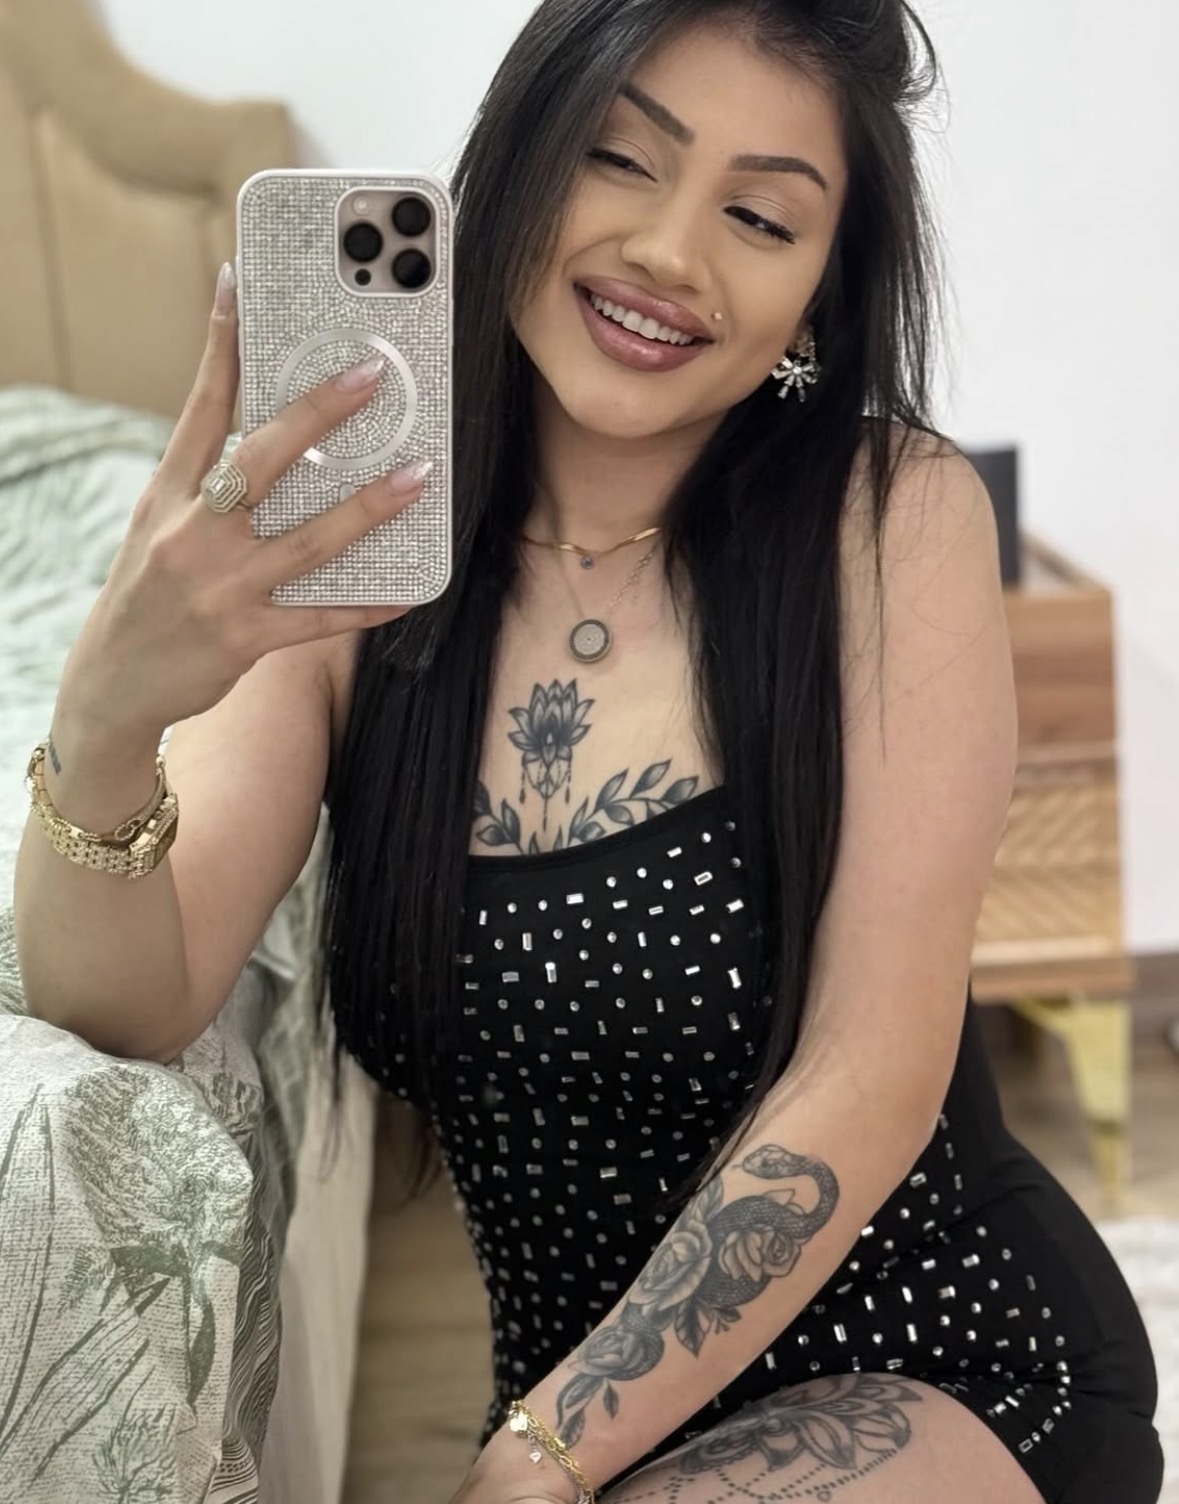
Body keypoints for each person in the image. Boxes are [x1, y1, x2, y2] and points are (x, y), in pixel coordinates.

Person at [13, 2, 1164, 1502]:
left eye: (760, 217)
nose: (672, 254)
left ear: (819, 285)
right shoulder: (357, 564)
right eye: (621, 159)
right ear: (520, 159)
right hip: (581, 1418)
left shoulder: (890, 523)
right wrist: (105, 718)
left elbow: (870, 1071)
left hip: (935, 1361)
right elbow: (127, 1002)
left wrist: (548, 1456)